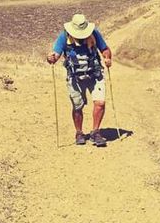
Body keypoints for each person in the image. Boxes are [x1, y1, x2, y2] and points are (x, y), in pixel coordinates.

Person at [47, 14, 112, 147]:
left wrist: (107, 58)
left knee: (100, 103)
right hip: (75, 77)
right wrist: (51, 58)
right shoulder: (64, 37)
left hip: (95, 74)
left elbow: (105, 49)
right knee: (77, 106)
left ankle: (96, 132)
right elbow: (56, 55)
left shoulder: (94, 34)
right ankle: (79, 133)